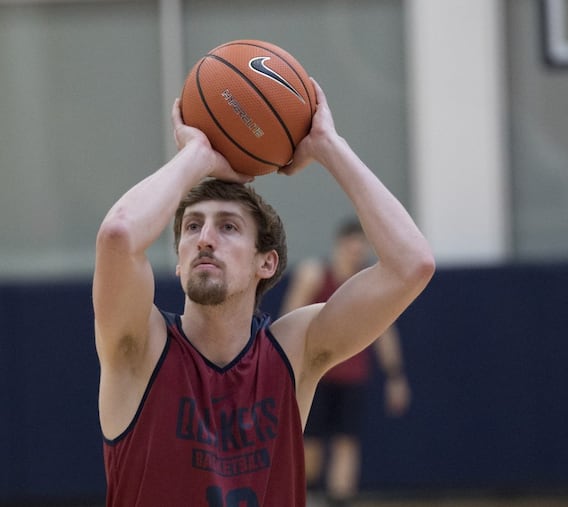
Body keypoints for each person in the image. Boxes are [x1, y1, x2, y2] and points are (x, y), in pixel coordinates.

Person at [92, 79, 435, 507]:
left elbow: (412, 264)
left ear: (266, 263)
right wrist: (195, 156)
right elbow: (119, 234)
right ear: (178, 262)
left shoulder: (294, 351)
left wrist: (328, 145)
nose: (204, 238)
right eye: (193, 226)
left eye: (228, 227)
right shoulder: (138, 348)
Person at [280, 219, 412, 507]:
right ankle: (308, 496)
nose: (357, 254)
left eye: (361, 250)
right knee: (310, 446)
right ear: (340, 245)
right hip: (316, 375)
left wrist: (395, 376)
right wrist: (287, 370)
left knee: (346, 443)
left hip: (352, 377)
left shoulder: (369, 287)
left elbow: (385, 331)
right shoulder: (314, 275)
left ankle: (340, 501)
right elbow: (289, 321)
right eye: (352, 248)